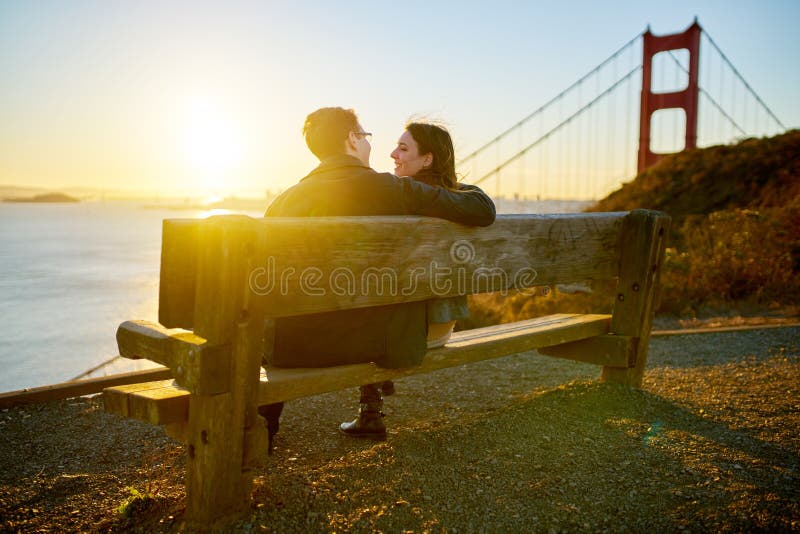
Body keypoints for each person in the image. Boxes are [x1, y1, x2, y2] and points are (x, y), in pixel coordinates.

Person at [260, 107, 495, 447]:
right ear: (353, 140)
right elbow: (481, 209)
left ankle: (264, 430)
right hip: (374, 342)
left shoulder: (282, 203)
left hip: (291, 348)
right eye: (366, 136)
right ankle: (369, 409)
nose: (373, 145)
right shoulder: (393, 190)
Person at [338, 121, 474, 438]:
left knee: (367, 302)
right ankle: (372, 403)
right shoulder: (458, 202)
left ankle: (370, 413)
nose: (392, 153)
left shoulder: (394, 202)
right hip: (442, 328)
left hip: (406, 335)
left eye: (403, 148)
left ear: (427, 160)